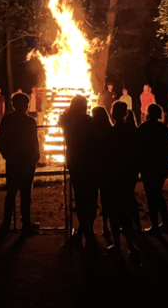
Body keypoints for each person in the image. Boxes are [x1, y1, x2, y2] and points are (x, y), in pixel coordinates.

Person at [100, 101, 140, 257]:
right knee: (126, 208)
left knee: (114, 211)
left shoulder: (110, 133)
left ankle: (117, 244)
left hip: (114, 176)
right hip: (128, 174)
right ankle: (130, 245)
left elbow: (105, 155)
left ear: (112, 114)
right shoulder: (132, 130)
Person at [59, 95, 100, 247]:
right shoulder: (88, 120)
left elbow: (61, 119)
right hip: (90, 162)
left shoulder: (67, 120)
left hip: (75, 162)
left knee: (80, 198)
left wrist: (70, 110)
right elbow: (94, 139)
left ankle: (83, 231)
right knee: (91, 198)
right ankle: (88, 231)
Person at [0, 93, 40, 233]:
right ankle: (26, 224)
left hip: (13, 161)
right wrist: (35, 156)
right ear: (26, 105)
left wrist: (7, 155)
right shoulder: (30, 121)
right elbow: (34, 141)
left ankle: (6, 224)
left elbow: (1, 140)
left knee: (11, 192)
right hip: (27, 161)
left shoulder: (7, 120)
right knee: (25, 193)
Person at [137, 104, 168, 234]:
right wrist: (166, 164)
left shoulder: (144, 127)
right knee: (157, 194)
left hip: (148, 166)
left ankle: (155, 225)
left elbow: (138, 147)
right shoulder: (163, 129)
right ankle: (165, 223)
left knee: (152, 195)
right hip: (160, 166)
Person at [91, 106, 113, 239]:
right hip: (106, 168)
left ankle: (91, 227)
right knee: (106, 198)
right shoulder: (110, 130)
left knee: (92, 198)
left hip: (95, 168)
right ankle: (105, 226)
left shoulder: (92, 131)